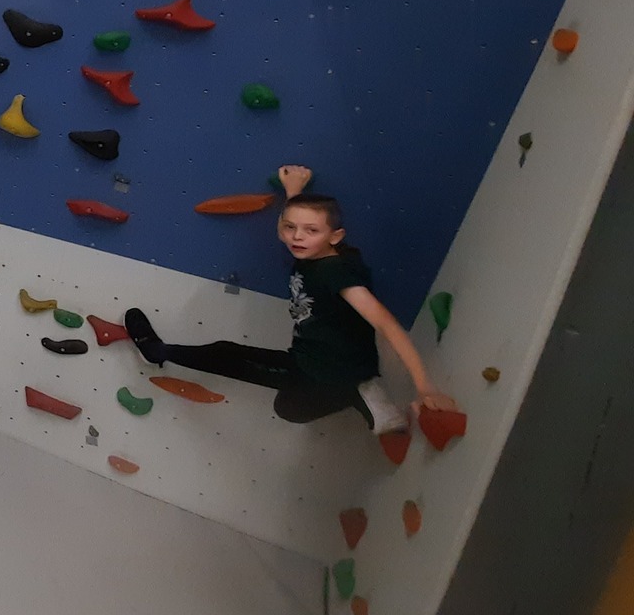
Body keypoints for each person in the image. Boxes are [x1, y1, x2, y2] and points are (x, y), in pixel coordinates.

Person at [122, 166, 459, 435]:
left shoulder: (336, 273)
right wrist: (294, 190)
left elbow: (386, 323)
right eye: (290, 228)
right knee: (234, 359)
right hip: (310, 356)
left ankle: (360, 393)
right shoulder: (314, 251)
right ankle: (362, 391)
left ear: (335, 236)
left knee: (279, 401)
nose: (297, 237)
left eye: (311, 231)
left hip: (327, 371)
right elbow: (297, 227)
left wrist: (424, 386)